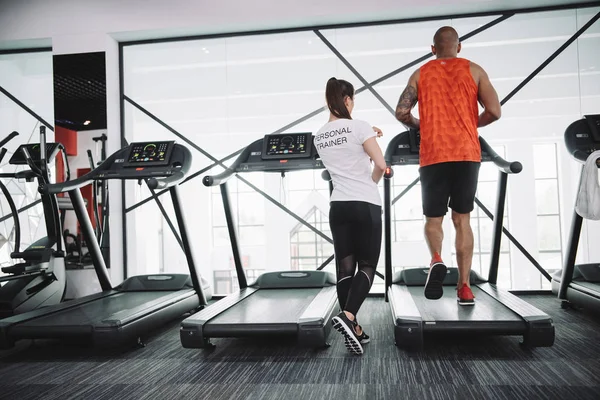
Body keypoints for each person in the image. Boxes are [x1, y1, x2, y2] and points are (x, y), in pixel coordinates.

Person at [394, 26, 502, 306]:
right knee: (462, 219)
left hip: (434, 155)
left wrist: (422, 124)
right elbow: (494, 111)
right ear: (459, 46)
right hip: (466, 154)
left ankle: (437, 259)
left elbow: (401, 112)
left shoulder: (421, 74)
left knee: (433, 219)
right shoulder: (475, 70)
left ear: (433, 49)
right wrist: (467, 122)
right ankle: (465, 288)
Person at [313, 77, 386, 355]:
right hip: (365, 203)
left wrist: (368, 134)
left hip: (338, 206)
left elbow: (344, 152)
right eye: (352, 100)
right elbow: (380, 164)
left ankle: (352, 331)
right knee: (367, 266)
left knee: (345, 269)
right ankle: (349, 316)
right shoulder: (360, 126)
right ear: (347, 100)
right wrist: (373, 181)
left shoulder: (320, 135)